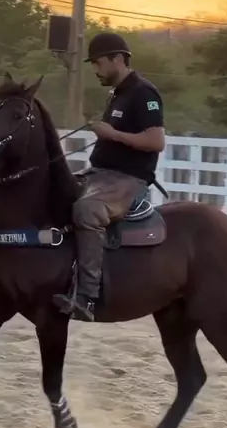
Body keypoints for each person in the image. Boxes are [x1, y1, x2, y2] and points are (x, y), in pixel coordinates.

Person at [53, 31, 166, 322]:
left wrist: (112, 134)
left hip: (127, 179)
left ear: (117, 59)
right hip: (101, 174)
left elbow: (156, 141)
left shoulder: (144, 93)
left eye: (98, 62)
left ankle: (87, 297)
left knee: (87, 210)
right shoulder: (117, 94)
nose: (95, 69)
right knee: (52, 189)